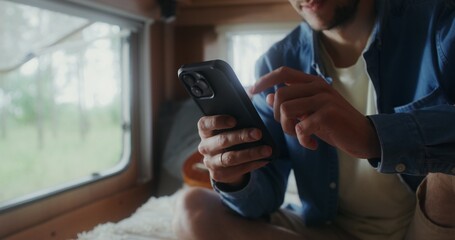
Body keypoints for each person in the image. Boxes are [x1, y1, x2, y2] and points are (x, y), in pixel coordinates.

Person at [173, 0, 455, 239]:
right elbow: (262, 203)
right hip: (333, 229)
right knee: (194, 209)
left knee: (449, 172)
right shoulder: (277, 64)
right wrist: (235, 178)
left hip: (429, 225)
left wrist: (374, 136)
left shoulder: (439, 21)